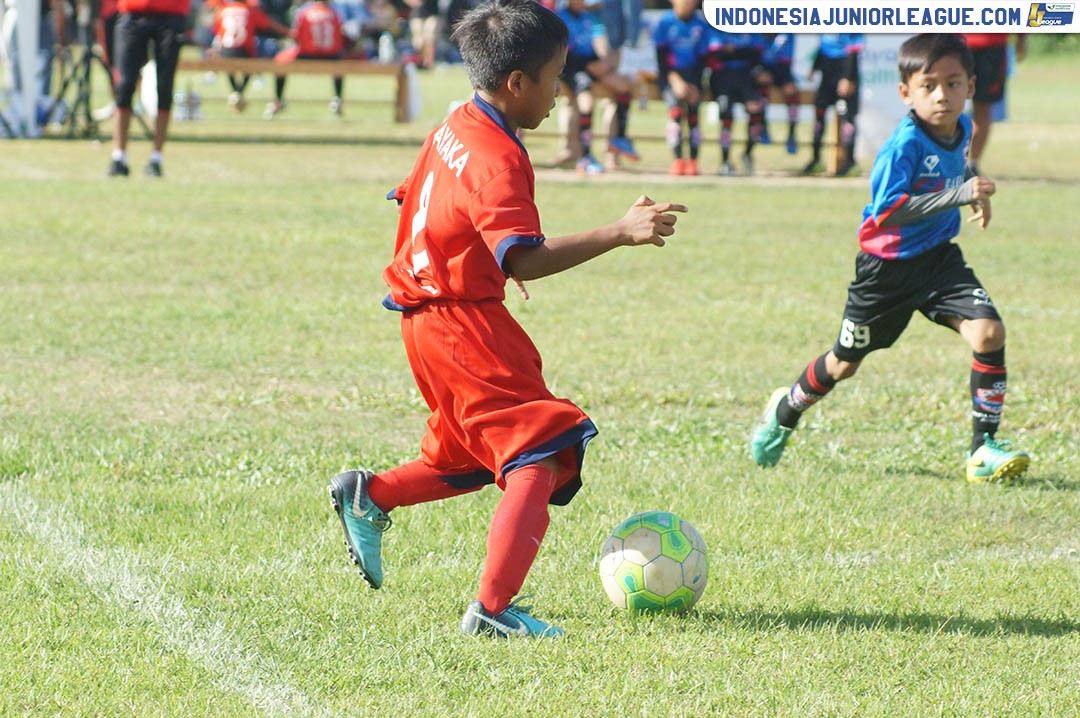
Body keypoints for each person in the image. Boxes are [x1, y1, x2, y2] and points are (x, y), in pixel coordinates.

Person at [327, 0, 687, 639]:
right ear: (516, 82)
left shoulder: (454, 124)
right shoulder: (497, 156)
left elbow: (415, 198)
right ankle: (491, 611)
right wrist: (621, 231)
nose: (560, 90)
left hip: (426, 318)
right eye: (554, 76)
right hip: (461, 323)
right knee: (539, 451)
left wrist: (480, 260)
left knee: (468, 454)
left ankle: (371, 494)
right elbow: (523, 252)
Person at [749, 33, 1030, 484]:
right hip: (886, 270)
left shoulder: (962, 128)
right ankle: (787, 408)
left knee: (989, 332)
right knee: (844, 363)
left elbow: (959, 168)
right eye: (929, 86)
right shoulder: (902, 146)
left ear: (971, 87)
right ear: (906, 93)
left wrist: (974, 189)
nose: (942, 95)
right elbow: (889, 211)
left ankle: (982, 450)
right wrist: (959, 194)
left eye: (954, 83)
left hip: (939, 260)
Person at [107, 0, 189, 176]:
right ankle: (119, 156)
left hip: (169, 15)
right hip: (133, 13)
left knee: (165, 86)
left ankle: (156, 158)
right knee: (124, 85)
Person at [557, 0, 637, 175]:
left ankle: (620, 138)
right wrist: (589, 65)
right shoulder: (559, 18)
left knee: (624, 86)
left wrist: (602, 64)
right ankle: (585, 158)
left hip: (589, 64)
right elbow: (563, 52)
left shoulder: (587, 17)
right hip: (571, 68)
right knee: (587, 103)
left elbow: (590, 45)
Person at [652, 0, 708, 176]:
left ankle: (692, 161)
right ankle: (677, 160)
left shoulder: (700, 24)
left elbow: (703, 58)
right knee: (675, 111)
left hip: (693, 76)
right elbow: (661, 58)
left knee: (693, 113)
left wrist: (695, 84)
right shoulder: (665, 22)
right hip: (671, 76)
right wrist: (674, 80)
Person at [961, 33, 1025, 176]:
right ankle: (950, 163)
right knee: (947, 105)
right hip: (956, 44)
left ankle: (972, 165)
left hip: (992, 46)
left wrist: (1022, 37)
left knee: (983, 108)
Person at [269, 0, 346, 117]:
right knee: (339, 64)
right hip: (330, 56)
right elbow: (339, 37)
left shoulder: (305, 12)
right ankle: (337, 99)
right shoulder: (334, 13)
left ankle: (278, 100)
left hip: (307, 54)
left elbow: (297, 35)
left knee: (280, 61)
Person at [705, 30, 766, 176]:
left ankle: (747, 153)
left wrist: (734, 51)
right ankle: (725, 161)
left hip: (745, 77)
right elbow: (714, 53)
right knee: (726, 114)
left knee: (757, 111)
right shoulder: (716, 27)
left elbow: (756, 53)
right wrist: (737, 52)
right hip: (722, 77)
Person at [211, 0, 289, 112]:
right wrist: (288, 32)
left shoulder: (224, 10)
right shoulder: (249, 10)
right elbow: (267, 24)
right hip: (244, 51)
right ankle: (239, 91)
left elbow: (217, 31)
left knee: (230, 65)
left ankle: (236, 92)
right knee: (251, 62)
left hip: (226, 51)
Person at [802, 32, 862, 177]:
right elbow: (822, 48)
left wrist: (848, 78)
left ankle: (850, 162)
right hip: (827, 77)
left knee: (847, 119)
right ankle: (816, 159)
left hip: (845, 75)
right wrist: (814, 68)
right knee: (819, 117)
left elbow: (854, 51)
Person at [758, 32, 800, 155]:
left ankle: (792, 133)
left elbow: (785, 59)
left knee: (791, 91)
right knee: (761, 88)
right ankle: (763, 127)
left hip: (781, 68)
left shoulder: (787, 33)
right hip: (762, 68)